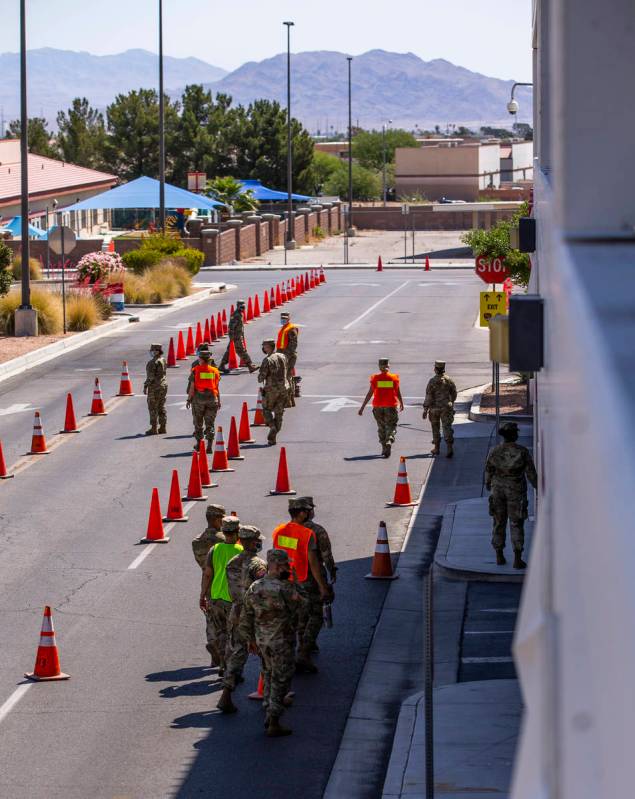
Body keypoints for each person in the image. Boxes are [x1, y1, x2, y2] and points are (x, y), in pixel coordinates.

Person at [236, 549, 305, 737]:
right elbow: (303, 606)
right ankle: (274, 719)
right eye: (285, 564)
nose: (288, 567)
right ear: (278, 565)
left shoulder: (255, 587)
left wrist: (250, 639)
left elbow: (245, 617)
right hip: (281, 640)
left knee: (267, 672)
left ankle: (268, 704)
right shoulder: (285, 588)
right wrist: (296, 581)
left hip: (262, 640)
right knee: (282, 676)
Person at [273, 499, 332, 673]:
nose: (311, 512)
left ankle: (300, 648)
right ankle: (303, 652)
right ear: (302, 513)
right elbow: (314, 562)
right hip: (306, 580)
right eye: (309, 510)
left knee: (298, 616)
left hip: (286, 580)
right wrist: (323, 586)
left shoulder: (279, 531)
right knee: (316, 615)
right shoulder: (308, 533)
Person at [217, 525, 267, 713]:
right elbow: (262, 590)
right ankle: (273, 695)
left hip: (236, 612)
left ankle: (227, 693)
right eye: (257, 540)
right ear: (252, 541)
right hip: (252, 614)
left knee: (237, 654)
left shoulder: (232, 562)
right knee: (268, 654)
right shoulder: (258, 565)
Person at [485, 421, 538, 570]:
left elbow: (488, 471)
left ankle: (499, 555)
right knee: (516, 523)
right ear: (514, 435)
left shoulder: (494, 451)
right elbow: (531, 474)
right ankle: (517, 558)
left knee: (498, 522)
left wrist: (489, 484)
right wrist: (538, 487)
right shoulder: (522, 451)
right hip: (516, 491)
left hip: (498, 490)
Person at [199, 517, 243, 674]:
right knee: (234, 636)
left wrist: (203, 595)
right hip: (233, 600)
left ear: (223, 532)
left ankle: (222, 662)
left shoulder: (215, 549)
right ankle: (229, 669)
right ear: (238, 532)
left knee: (221, 633)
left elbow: (207, 574)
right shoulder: (241, 551)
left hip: (216, 598)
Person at [296, 496, 337, 654]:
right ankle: (305, 648)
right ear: (305, 512)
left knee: (301, 613)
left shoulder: (287, 531)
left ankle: (305, 643)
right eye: (310, 509)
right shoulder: (317, 531)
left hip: (293, 578)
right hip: (312, 578)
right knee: (316, 614)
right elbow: (326, 556)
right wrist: (331, 574)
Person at [192, 504, 226, 666]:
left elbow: (204, 567)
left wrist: (202, 593)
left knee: (211, 619)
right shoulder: (223, 540)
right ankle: (224, 653)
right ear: (215, 519)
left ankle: (213, 648)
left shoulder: (197, 541)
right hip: (225, 583)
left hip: (208, 584)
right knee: (226, 622)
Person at [358, 357, 404, 457]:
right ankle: (389, 440)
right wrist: (401, 403)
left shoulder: (375, 378)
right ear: (388, 366)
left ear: (379, 367)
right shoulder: (394, 378)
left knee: (381, 427)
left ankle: (384, 447)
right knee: (391, 425)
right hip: (390, 406)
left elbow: (369, 393)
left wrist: (362, 407)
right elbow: (398, 392)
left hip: (378, 406)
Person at [186, 342, 221, 453]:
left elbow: (192, 387)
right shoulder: (215, 371)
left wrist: (188, 399)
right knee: (210, 423)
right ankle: (209, 445)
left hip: (199, 400)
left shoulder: (196, 370)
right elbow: (217, 387)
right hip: (212, 399)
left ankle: (199, 444)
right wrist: (219, 400)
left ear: (200, 358)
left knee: (198, 423)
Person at [258, 338, 290, 445]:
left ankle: (272, 427)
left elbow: (261, 378)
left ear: (268, 347)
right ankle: (273, 436)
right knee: (279, 412)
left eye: (264, 346)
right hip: (284, 388)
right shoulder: (283, 356)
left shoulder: (267, 360)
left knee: (266, 410)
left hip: (271, 389)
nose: (263, 348)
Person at [423, 360, 457, 458]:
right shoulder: (449, 380)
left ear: (435, 369)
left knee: (435, 428)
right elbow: (454, 393)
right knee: (447, 427)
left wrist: (425, 409)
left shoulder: (432, 381)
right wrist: (451, 402)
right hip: (446, 407)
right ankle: (449, 448)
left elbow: (428, 396)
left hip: (434, 409)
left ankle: (437, 448)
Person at [219, 301, 258, 374]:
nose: (243, 308)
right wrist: (231, 338)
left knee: (230, 351)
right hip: (236, 337)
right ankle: (250, 366)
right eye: (241, 307)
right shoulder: (236, 315)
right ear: (238, 306)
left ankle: (222, 365)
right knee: (242, 351)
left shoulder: (240, 314)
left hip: (238, 336)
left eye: (243, 307)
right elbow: (231, 327)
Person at [143, 343, 167, 435]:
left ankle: (154, 428)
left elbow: (150, 377)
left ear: (156, 351)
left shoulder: (152, 362)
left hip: (155, 387)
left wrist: (145, 386)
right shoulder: (163, 360)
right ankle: (163, 427)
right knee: (161, 406)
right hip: (163, 385)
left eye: (153, 350)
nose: (151, 352)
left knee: (153, 407)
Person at [276, 311, 299, 405]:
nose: (283, 320)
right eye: (282, 318)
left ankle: (289, 399)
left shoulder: (291, 329)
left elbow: (293, 345)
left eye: (285, 318)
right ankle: (288, 398)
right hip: (282, 355)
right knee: (284, 376)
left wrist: (285, 356)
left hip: (288, 356)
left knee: (287, 376)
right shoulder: (284, 328)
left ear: (289, 319)